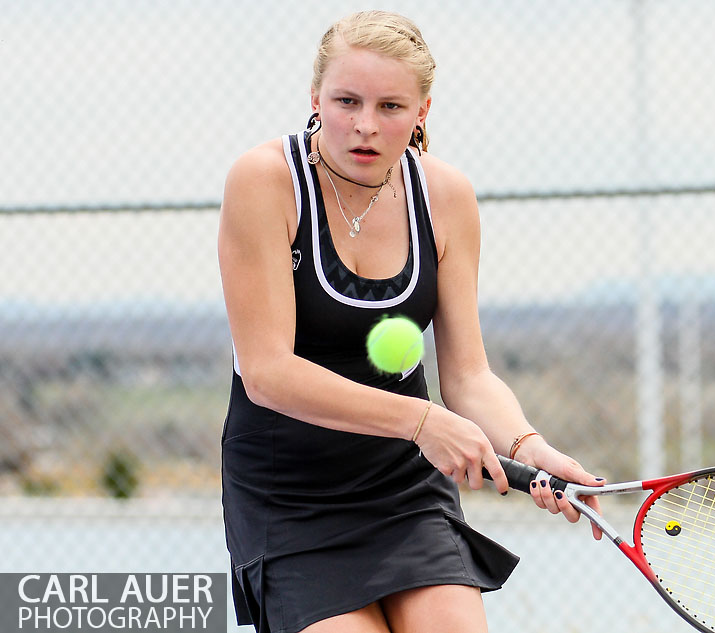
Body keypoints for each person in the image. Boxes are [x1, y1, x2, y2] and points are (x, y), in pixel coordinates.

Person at [217, 10, 603, 633]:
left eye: (391, 106)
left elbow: (469, 375)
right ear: (314, 98)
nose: (365, 125)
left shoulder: (447, 196)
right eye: (347, 100)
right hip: (289, 495)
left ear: (423, 111)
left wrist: (529, 446)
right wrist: (423, 422)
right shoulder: (265, 182)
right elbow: (267, 372)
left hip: (403, 492)